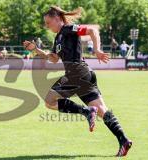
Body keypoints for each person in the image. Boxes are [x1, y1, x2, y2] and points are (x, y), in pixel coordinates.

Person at [23, 6, 132, 157]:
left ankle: (86, 112)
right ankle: (124, 140)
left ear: (57, 19)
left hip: (76, 73)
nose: (47, 26)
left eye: (48, 23)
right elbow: (53, 59)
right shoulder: (59, 37)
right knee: (102, 110)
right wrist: (36, 50)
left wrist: (97, 50)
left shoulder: (68, 29)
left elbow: (91, 31)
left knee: (49, 101)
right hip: (85, 76)